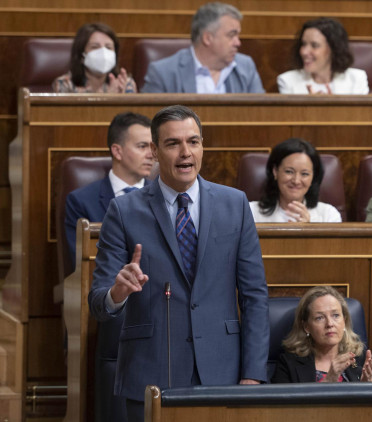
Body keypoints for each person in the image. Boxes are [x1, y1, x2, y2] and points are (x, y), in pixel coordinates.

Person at [88, 105, 269, 422]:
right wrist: (118, 292)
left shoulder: (234, 203)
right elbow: (98, 304)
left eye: (193, 141)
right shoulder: (124, 210)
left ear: (203, 146)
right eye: (173, 144)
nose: (186, 153)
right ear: (156, 152)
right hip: (150, 374)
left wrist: (252, 375)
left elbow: (255, 296)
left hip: (222, 373)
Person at [64, 112, 153, 269]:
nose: (151, 154)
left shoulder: (165, 196)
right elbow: (83, 266)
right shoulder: (81, 202)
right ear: (117, 151)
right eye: (142, 146)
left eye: (152, 147)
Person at [141, 2, 264, 93]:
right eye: (231, 35)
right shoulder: (163, 73)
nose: (238, 43)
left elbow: (261, 115)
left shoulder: (245, 66)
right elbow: (150, 123)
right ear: (207, 38)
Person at [271, 286, 372, 383]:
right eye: (320, 318)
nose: (329, 324)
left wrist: (368, 387)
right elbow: (282, 405)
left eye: (336, 315)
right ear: (306, 327)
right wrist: (329, 380)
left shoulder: (362, 360)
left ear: (344, 321)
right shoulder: (289, 364)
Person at [249, 138, 341, 223]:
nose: (296, 181)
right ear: (275, 171)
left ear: (313, 176)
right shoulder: (250, 212)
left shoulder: (328, 215)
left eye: (304, 174)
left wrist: (310, 230)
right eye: (289, 172)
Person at [277, 17, 369, 94]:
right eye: (303, 44)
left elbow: (361, 115)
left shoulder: (357, 79)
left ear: (334, 49)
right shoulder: (287, 81)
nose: (304, 52)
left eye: (314, 45)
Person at [53, 22, 136, 93]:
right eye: (95, 47)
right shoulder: (65, 84)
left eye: (108, 47)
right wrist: (108, 98)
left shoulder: (125, 83)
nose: (103, 53)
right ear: (81, 55)